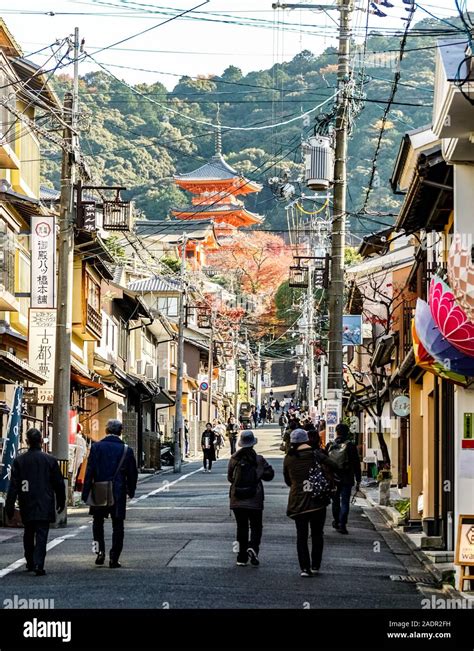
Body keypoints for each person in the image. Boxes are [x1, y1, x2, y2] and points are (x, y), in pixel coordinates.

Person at [5, 428, 66, 576]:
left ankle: (30, 561)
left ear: (27, 442)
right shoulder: (50, 460)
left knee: (29, 531)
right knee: (42, 533)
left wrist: (9, 507)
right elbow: (59, 483)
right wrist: (61, 501)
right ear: (41, 441)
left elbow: (13, 486)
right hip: (45, 501)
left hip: (27, 501)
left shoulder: (19, 460)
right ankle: (39, 563)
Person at [82, 419, 138, 568]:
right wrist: (131, 490)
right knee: (118, 524)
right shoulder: (126, 450)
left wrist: (85, 491)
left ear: (106, 431)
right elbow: (132, 474)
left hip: (99, 489)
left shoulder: (96, 447)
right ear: (120, 432)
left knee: (97, 522)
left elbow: (90, 471)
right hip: (118, 491)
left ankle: (100, 552)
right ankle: (114, 558)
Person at [283, 428, 337, 577]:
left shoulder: (289, 458)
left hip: (298, 502)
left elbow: (288, 480)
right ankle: (315, 565)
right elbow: (334, 465)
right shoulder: (316, 454)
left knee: (301, 536)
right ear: (306, 440)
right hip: (318, 499)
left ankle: (304, 568)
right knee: (317, 534)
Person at [227, 430, 274, 567]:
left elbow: (230, 478)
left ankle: (241, 557)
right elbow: (269, 475)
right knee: (256, 525)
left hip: (237, 498)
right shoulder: (258, 459)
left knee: (241, 527)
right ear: (253, 444)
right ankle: (253, 547)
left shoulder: (234, 459)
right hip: (255, 498)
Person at [327, 423, 362, 534]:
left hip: (333, 478)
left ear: (336, 432)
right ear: (347, 433)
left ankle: (336, 521)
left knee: (335, 501)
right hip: (347, 477)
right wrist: (358, 479)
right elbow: (356, 464)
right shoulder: (351, 446)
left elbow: (325, 463)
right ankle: (343, 524)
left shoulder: (330, 445)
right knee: (345, 502)